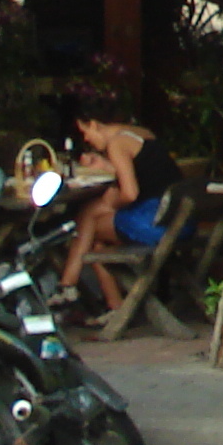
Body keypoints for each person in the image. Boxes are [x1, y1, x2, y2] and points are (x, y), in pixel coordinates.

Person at [58, 111, 182, 314]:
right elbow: (144, 170)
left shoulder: (116, 144)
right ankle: (96, 298)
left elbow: (130, 194)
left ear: (95, 124)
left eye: (85, 132)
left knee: (89, 222)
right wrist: (106, 168)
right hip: (178, 218)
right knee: (92, 224)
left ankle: (68, 287)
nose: (86, 140)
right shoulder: (139, 134)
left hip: (157, 222)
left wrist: (112, 204)